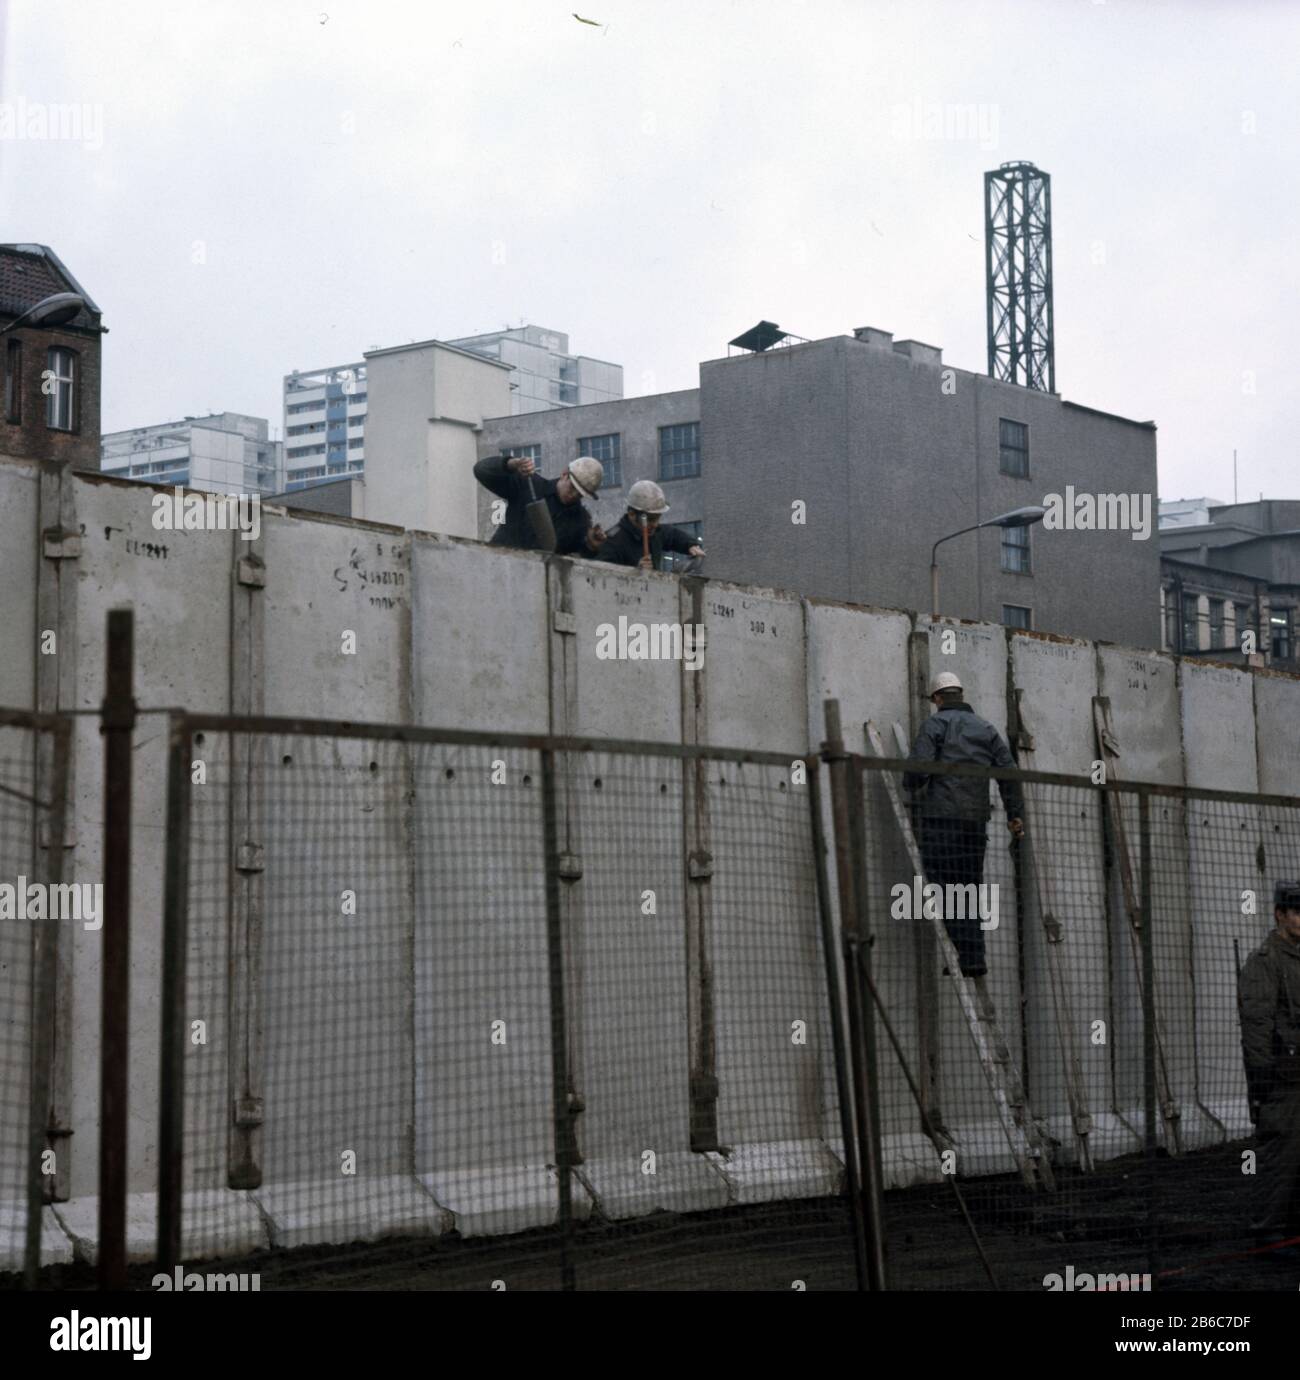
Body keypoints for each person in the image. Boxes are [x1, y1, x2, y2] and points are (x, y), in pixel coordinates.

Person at [902, 671, 1024, 978]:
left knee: (942, 888)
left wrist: (912, 782)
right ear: (961, 694)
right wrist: (1014, 814)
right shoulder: (986, 729)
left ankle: (962, 949)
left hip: (942, 821)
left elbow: (917, 771)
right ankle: (973, 958)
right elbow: (1009, 774)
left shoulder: (936, 724)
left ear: (938, 699)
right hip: (975, 823)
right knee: (969, 888)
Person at [1239, 880, 1300, 1258]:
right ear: (1280, 914)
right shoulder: (1265, 962)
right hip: (1283, 1080)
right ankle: (1268, 1234)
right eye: (1297, 912)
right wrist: (1263, 1083)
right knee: (1281, 1157)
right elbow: (1256, 1027)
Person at [473, 452, 606, 555]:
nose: (574, 495)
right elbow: (481, 470)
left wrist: (591, 547)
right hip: (498, 563)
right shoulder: (528, 486)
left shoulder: (580, 521)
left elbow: (575, 563)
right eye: (573, 487)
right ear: (564, 474)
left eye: (580, 494)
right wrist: (511, 464)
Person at [594, 479, 706, 572]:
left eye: (658, 518)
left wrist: (691, 545)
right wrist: (634, 572)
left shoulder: (654, 532)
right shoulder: (612, 543)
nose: (656, 525)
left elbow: (672, 535)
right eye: (651, 519)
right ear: (632, 514)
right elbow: (603, 580)